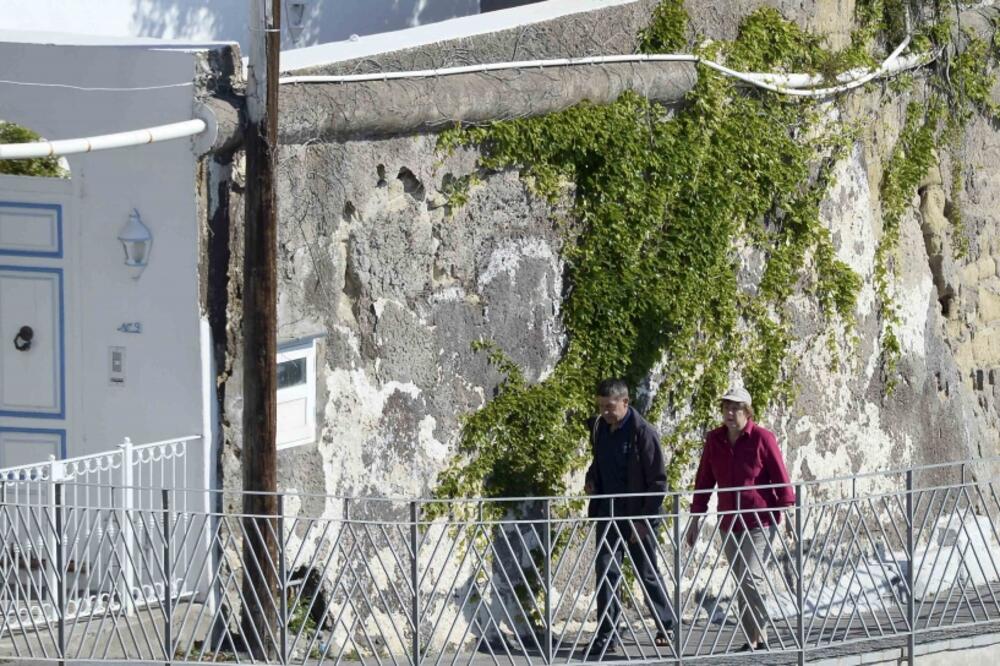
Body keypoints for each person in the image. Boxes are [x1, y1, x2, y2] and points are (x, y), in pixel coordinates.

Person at [685, 384, 795, 652]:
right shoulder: (715, 440)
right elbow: (704, 480)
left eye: (735, 408)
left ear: (747, 411)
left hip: (760, 520)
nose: (730, 412)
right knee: (742, 580)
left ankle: (765, 631)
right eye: (726, 407)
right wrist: (695, 518)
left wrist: (789, 512)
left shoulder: (762, 438)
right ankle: (755, 640)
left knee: (750, 577)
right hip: (729, 522)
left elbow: (780, 476)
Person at [584, 378, 673, 658]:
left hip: (637, 515)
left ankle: (667, 625)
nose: (604, 412)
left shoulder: (643, 432)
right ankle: (606, 635)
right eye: (601, 407)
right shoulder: (600, 428)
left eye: (609, 407)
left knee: (645, 571)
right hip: (608, 514)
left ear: (625, 402)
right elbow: (598, 462)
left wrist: (644, 521)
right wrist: (591, 480)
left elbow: (658, 481)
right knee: (606, 573)